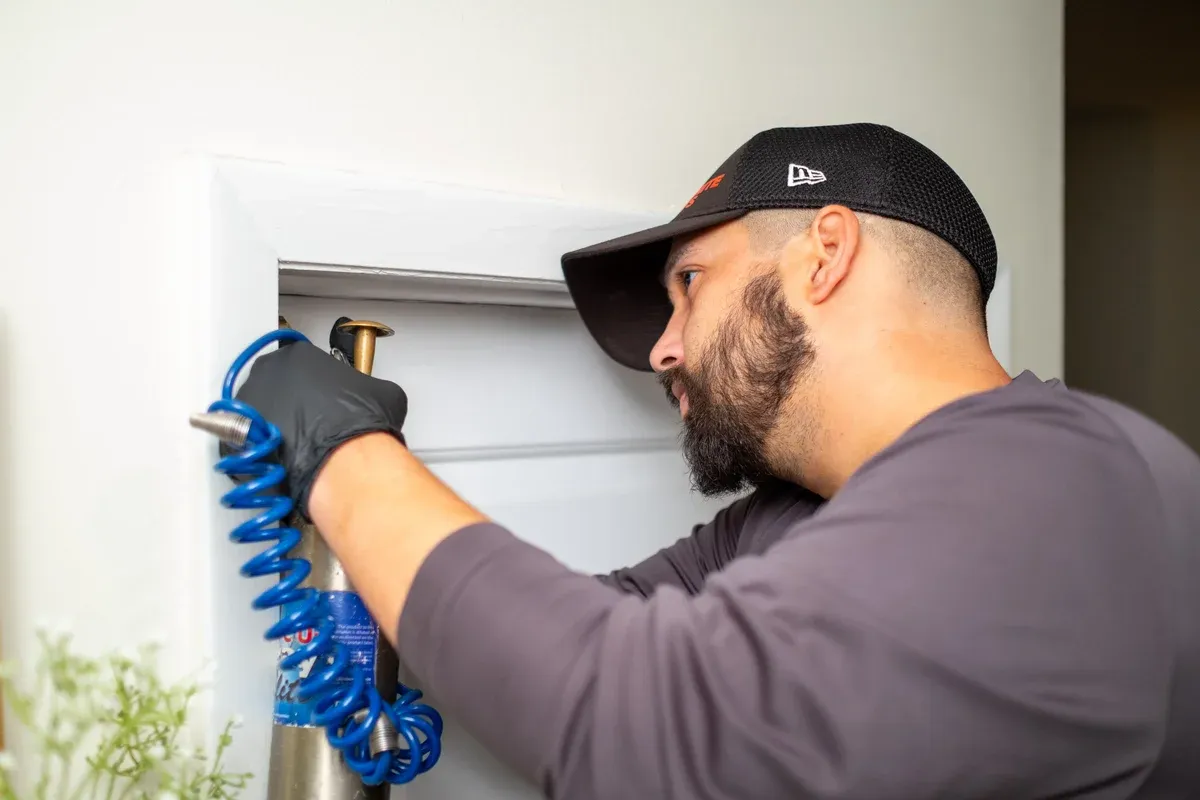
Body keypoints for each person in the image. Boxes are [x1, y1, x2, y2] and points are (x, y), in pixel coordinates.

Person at [233, 123, 1200, 799]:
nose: (661, 348)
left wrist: (345, 457)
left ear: (825, 253)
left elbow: (638, 725)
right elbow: (569, 635)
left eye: (689, 285)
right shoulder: (805, 515)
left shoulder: (1056, 488)